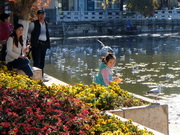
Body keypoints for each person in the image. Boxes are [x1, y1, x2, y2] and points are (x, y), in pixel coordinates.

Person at [28, 10, 51, 81]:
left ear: (45, 15)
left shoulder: (46, 24)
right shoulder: (33, 24)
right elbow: (28, 33)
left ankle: (41, 76)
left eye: (42, 15)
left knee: (42, 61)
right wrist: (31, 42)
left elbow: (47, 34)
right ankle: (36, 77)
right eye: (39, 15)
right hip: (36, 45)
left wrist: (48, 44)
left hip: (44, 45)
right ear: (37, 16)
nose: (41, 16)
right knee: (37, 61)